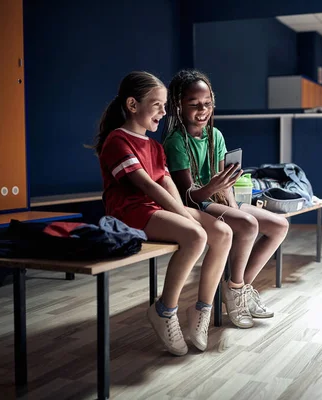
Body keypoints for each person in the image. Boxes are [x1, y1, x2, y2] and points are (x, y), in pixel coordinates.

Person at [95, 71, 232, 355]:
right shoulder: (117, 140)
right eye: (157, 104)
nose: (163, 111)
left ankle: (201, 311)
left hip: (156, 208)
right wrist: (187, 218)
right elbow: (145, 186)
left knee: (222, 231)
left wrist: (186, 212)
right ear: (133, 105)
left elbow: (167, 184)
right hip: (128, 212)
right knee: (195, 236)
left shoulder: (155, 146)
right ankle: (165, 310)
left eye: (165, 105)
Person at [162, 69, 289, 329]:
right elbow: (189, 197)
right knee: (248, 224)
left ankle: (238, 287)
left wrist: (232, 204)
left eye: (207, 103)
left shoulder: (216, 136)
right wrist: (217, 190)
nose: (202, 109)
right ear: (178, 105)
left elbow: (224, 183)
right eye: (194, 104)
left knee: (279, 225)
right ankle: (236, 289)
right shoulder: (175, 142)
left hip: (217, 198)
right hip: (196, 204)